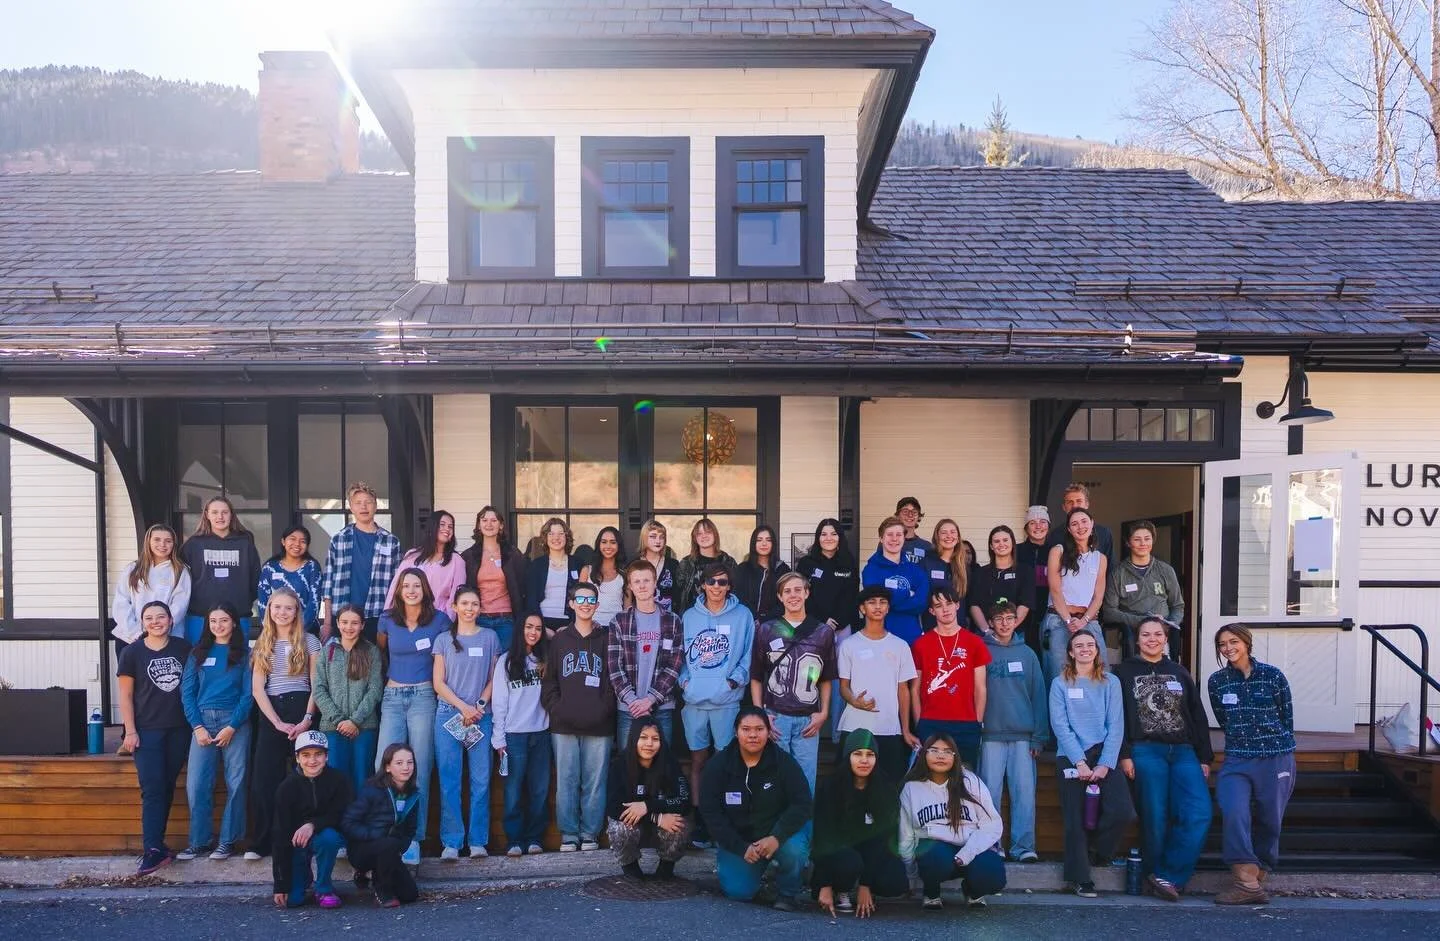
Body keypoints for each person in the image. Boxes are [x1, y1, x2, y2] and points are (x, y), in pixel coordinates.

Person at [1115, 617, 1214, 901]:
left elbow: (1197, 715)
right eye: (1146, 635)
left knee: (1198, 812)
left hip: (1184, 751)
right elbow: (1115, 717)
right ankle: (1157, 874)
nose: (1152, 639)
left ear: (1166, 639)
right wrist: (1124, 754)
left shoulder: (1180, 672)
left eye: (1158, 634)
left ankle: (1168, 875)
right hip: (1145, 750)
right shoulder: (1122, 673)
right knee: (1155, 817)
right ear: (1137, 640)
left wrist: (1204, 756)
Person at [1208, 623, 1297, 906]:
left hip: (1276, 756)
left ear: (1247, 642)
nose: (1228, 648)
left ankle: (1261, 872)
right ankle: (1245, 880)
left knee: (1271, 819)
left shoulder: (1273, 676)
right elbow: (1223, 719)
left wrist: (1278, 747)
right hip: (1237, 758)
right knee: (1234, 811)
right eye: (1222, 644)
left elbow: (1287, 716)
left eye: (1233, 641)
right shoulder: (1217, 681)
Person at [701, 705, 814, 910]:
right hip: (741, 840)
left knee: (795, 850)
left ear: (768, 732)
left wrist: (776, 837)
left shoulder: (784, 763)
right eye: (746, 729)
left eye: (759, 729)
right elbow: (711, 813)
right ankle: (757, 875)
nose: (753, 735)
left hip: (777, 835)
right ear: (736, 732)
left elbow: (802, 803)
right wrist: (740, 846)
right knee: (739, 892)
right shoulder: (718, 766)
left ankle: (787, 892)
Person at [375, 567, 451, 864]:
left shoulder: (440, 621)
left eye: (416, 586)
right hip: (392, 698)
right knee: (384, 765)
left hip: (423, 697)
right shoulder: (386, 621)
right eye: (406, 585)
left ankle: (413, 840)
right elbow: (382, 653)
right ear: (398, 590)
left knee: (418, 767)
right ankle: (387, 833)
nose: (410, 590)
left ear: (424, 590)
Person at [1050, 629, 1133, 898]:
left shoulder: (1110, 682)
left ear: (1097, 650)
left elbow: (1116, 725)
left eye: (1090, 644)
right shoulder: (1060, 683)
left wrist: (1106, 763)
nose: (1085, 649)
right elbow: (1060, 726)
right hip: (1071, 756)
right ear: (1071, 652)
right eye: (1079, 645)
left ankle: (1098, 853)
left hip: (1103, 754)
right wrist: (1080, 762)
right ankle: (1080, 877)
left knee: (1122, 811)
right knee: (1075, 819)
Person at [678, 560, 754, 849]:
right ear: (703, 585)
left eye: (723, 582)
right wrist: (685, 681)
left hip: (726, 701)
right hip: (695, 700)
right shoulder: (689, 617)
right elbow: (680, 657)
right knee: (698, 761)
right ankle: (700, 820)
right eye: (712, 582)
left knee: (726, 762)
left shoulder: (742, 615)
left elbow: (748, 654)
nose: (717, 588)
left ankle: (724, 820)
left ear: (729, 586)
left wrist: (734, 681)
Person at [248, 587, 323, 861]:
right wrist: (276, 722)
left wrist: (306, 719)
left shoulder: (310, 641)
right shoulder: (262, 642)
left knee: (307, 779)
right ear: (269, 610)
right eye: (276, 607)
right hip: (271, 712)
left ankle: (305, 839)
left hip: (303, 707)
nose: (282, 612)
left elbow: (317, 684)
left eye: (288, 608)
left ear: (296, 612)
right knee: (263, 780)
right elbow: (257, 689)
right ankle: (262, 842)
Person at [117, 600, 192, 875]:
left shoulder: (183, 649)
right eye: (149, 617)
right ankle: (152, 849)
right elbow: (125, 695)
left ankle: (158, 846)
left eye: (161, 617)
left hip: (179, 729)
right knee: (152, 788)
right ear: (142, 622)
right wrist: (130, 730)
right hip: (146, 730)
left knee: (167, 785)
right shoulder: (131, 653)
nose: (155, 621)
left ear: (171, 621)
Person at [542, 581, 618, 852]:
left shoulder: (607, 638)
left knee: (595, 783)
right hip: (564, 725)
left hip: (600, 725)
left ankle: (590, 834)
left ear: (597, 606)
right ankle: (569, 835)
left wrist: (604, 709)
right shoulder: (560, 640)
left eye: (591, 600)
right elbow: (549, 682)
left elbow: (613, 680)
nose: (586, 605)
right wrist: (557, 708)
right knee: (566, 781)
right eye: (580, 600)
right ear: (571, 604)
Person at [898, 732, 1007, 910]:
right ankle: (931, 892)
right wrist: (910, 876)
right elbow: (906, 833)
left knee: (993, 875)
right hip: (936, 852)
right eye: (934, 750)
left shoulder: (971, 782)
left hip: (971, 848)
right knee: (934, 857)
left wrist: (967, 854)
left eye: (947, 751)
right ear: (924, 754)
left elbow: (992, 824)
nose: (941, 755)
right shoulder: (912, 788)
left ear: (955, 757)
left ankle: (973, 891)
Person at [750, 572, 837, 793]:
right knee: (773, 783)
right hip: (775, 717)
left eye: (798, 590)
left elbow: (826, 678)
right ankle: (774, 829)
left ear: (807, 593)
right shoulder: (767, 629)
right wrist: (761, 714)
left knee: (806, 785)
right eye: (787, 591)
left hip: (808, 718)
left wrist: (824, 712)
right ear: (779, 597)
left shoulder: (823, 632)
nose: (793, 595)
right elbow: (756, 676)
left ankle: (804, 829)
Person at [179, 602, 253, 862]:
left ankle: (227, 841)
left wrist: (232, 726)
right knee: (197, 784)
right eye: (213, 621)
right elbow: (187, 694)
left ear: (234, 623)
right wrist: (197, 726)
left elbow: (248, 694)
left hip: (235, 722)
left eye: (224, 620)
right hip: (202, 723)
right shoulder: (197, 654)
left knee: (237, 782)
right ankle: (199, 842)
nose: (218, 626)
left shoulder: (245, 655)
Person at [432, 585, 502, 860]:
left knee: (481, 780)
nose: (470, 609)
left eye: (475, 604)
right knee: (450, 781)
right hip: (449, 716)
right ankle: (451, 841)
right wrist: (463, 707)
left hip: (480, 718)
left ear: (480, 608)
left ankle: (477, 841)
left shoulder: (490, 638)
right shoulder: (442, 640)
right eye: (465, 604)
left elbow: (493, 678)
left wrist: (479, 706)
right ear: (455, 607)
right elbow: (438, 682)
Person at [811, 728, 907, 918]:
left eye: (870, 754)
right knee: (849, 861)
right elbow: (822, 835)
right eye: (857, 754)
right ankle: (841, 889)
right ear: (848, 756)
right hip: (838, 851)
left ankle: (864, 890)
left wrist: (866, 885)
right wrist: (824, 884)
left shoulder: (885, 788)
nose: (864, 760)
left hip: (869, 847)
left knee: (895, 879)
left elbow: (884, 838)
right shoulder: (831, 787)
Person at [979, 600, 1048, 864]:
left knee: (1024, 794)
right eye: (999, 619)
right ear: (991, 623)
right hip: (990, 736)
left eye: (1010, 618)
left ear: (1016, 621)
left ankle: (1023, 847)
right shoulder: (982, 651)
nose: (1005, 623)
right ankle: (991, 845)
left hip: (1023, 737)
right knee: (990, 794)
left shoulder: (1028, 654)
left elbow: (1038, 695)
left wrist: (1039, 737)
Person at [836, 586, 919, 781]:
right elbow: (843, 687)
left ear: (888, 608)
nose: (878, 606)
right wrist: (855, 701)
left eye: (882, 602)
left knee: (889, 786)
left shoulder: (900, 646)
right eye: (872, 602)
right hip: (855, 727)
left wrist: (905, 729)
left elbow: (903, 690)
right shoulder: (849, 644)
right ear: (862, 609)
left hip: (889, 728)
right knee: (850, 787)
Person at [911, 586, 991, 769]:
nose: (945, 609)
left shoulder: (975, 643)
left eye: (949, 603)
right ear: (931, 611)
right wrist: (919, 722)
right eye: (938, 605)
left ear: (957, 605)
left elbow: (981, 687)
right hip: (931, 722)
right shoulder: (920, 645)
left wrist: (977, 722)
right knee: (930, 779)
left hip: (966, 723)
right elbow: (914, 689)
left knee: (965, 780)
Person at [271, 730, 352, 909]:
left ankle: (323, 888)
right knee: (293, 901)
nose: (312, 760)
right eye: (306, 755)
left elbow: (342, 814)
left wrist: (313, 825)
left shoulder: (338, 780)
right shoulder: (287, 787)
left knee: (329, 838)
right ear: (298, 758)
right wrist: (280, 884)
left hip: (325, 834)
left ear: (326, 756)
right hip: (296, 844)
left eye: (318, 754)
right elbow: (279, 834)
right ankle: (303, 876)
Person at [492, 613, 551, 857]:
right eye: (528, 627)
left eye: (538, 628)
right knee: (513, 790)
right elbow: (499, 702)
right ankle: (514, 840)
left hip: (541, 733)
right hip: (514, 735)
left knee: (539, 790)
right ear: (520, 629)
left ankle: (534, 837)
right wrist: (499, 738)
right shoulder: (506, 661)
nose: (533, 632)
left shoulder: (545, 661)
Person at [796, 518, 860, 744]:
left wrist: (838, 622)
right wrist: (823, 622)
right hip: (813, 627)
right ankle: (807, 729)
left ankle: (836, 735)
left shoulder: (848, 563)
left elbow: (852, 597)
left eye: (833, 534)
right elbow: (802, 595)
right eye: (824, 534)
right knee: (810, 676)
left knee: (840, 679)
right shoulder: (807, 563)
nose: (829, 538)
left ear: (839, 538)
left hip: (842, 629)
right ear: (818, 538)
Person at [608, 559, 683, 747]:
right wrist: (634, 702)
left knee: (662, 764)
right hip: (628, 708)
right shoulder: (619, 621)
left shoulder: (672, 620)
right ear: (630, 586)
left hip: (662, 705)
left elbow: (674, 665)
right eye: (637, 581)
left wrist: (650, 700)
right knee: (627, 764)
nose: (642, 586)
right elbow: (614, 667)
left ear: (655, 582)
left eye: (646, 580)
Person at [607, 716, 692, 880]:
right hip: (635, 824)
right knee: (620, 828)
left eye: (655, 739)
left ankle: (666, 869)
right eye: (643, 737)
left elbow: (684, 800)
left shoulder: (669, 763)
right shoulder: (620, 765)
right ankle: (631, 868)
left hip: (660, 823)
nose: (649, 744)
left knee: (680, 823)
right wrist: (655, 817)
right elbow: (613, 806)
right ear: (633, 739)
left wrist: (648, 806)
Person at [313, 603, 383, 796]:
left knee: (363, 779)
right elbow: (319, 689)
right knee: (336, 781)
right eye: (344, 622)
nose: (349, 627)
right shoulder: (327, 652)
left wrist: (354, 721)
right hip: (332, 728)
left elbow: (375, 689)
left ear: (362, 625)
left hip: (364, 727)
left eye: (354, 623)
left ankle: (360, 824)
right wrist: (339, 720)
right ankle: (338, 824)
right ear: (337, 623)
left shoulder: (371, 652)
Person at [321, 482, 401, 643]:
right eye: (358, 503)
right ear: (351, 507)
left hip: (378, 614)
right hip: (344, 615)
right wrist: (328, 622)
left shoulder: (391, 541)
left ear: (376, 505)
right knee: (345, 666)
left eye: (368, 502)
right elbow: (328, 585)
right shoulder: (339, 539)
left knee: (376, 664)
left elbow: (397, 585)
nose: (364, 507)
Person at [342, 743, 421, 908]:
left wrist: (401, 847)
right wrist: (374, 835)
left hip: (390, 850)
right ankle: (381, 890)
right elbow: (348, 823)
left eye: (410, 762)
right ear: (387, 767)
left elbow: (410, 829)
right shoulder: (373, 790)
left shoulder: (413, 795)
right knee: (388, 843)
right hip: (362, 850)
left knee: (410, 895)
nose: (406, 767)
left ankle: (376, 875)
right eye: (399, 763)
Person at [178, 496, 260, 645]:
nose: (220, 517)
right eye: (214, 512)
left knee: (236, 663)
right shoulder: (193, 544)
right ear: (207, 515)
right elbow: (179, 579)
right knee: (198, 662)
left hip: (238, 616)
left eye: (224, 512)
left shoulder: (245, 543)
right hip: (199, 617)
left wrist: (243, 600)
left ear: (231, 515)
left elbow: (255, 578)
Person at [1044, 507, 1109, 689]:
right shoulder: (1058, 551)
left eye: (1084, 522)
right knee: (1059, 676)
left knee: (1101, 673)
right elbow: (1055, 590)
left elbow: (1098, 596)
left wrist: (1084, 620)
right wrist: (1068, 620)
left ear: (1092, 523)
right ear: (1069, 529)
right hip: (1059, 620)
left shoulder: (1100, 558)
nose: (1080, 527)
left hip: (1088, 620)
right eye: (1074, 523)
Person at [1103, 521, 1186, 659]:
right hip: (1132, 634)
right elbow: (1109, 612)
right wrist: (1141, 621)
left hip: (1162, 632)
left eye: (1147, 539)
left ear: (1153, 540)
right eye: (1137, 539)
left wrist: (1168, 626)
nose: (1143, 543)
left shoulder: (1165, 570)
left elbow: (1178, 606)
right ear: (1128, 543)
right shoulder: (1118, 574)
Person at [112, 523, 191, 661]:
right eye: (157, 540)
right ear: (148, 541)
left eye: (168, 541)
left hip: (166, 639)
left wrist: (157, 632)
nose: (162, 544)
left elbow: (179, 606)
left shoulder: (180, 571)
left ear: (174, 544)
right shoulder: (133, 569)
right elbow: (121, 603)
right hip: (130, 638)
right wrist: (137, 632)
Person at [459, 506, 528, 651]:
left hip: (506, 619)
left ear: (501, 525)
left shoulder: (513, 554)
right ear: (479, 525)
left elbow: (523, 587)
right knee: (479, 662)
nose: (489, 524)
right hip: (478, 619)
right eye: (484, 520)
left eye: (494, 520)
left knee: (503, 663)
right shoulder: (468, 556)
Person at [386, 510, 466, 620]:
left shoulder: (457, 561)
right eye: (442, 525)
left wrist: (448, 623)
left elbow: (456, 596)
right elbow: (396, 587)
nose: (447, 529)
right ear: (432, 527)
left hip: (438, 620)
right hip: (409, 619)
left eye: (450, 527)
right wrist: (387, 616)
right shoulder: (412, 555)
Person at [860, 516, 929, 645]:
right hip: (881, 638)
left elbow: (921, 603)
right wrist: (908, 594)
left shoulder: (915, 570)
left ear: (904, 538)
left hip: (912, 639)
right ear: (881, 538)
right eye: (889, 534)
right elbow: (878, 603)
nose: (894, 539)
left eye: (898, 535)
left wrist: (891, 598)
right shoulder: (871, 570)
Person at [968, 525, 1035, 635]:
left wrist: (1008, 630)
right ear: (991, 546)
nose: (1001, 544)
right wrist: (986, 630)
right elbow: (974, 605)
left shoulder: (1025, 571)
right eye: (996, 541)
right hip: (986, 634)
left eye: (1005, 540)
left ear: (1013, 543)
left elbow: (1025, 604)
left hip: (1015, 633)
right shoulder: (980, 573)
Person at [258, 525, 324, 635]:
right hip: (273, 633)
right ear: (283, 541)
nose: (297, 544)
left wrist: (297, 631)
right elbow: (263, 603)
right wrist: (274, 630)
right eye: (292, 539)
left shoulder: (312, 567)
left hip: (305, 632)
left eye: (302, 541)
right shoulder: (270, 568)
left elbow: (314, 603)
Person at [527, 517, 585, 631]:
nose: (556, 538)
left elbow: (582, 597)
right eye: (551, 534)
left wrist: (571, 626)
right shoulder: (537, 565)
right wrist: (541, 628)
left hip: (570, 623)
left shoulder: (577, 564)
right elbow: (531, 600)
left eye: (561, 534)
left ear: (566, 537)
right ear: (545, 538)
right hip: (543, 622)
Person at [675, 518, 737, 614]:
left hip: (724, 614)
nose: (704, 536)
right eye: (699, 534)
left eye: (708, 532)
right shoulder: (686, 563)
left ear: (715, 535)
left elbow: (735, 590)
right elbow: (678, 595)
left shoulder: (728, 562)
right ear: (695, 538)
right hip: (693, 615)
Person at [1046, 483, 1117, 564]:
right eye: (1070, 502)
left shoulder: (1104, 533)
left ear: (1087, 504)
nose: (1075, 505)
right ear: (1064, 507)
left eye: (1079, 501)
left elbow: (1111, 567)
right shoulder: (1055, 535)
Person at [733, 524, 791, 622]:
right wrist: (755, 617)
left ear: (773, 544)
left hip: (775, 624)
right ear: (753, 543)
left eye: (768, 540)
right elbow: (738, 597)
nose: (764, 544)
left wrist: (765, 618)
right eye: (759, 540)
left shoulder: (782, 570)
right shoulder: (743, 569)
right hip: (747, 621)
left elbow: (787, 599)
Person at [1014, 506, 1052, 654]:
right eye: (1032, 522)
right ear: (1026, 528)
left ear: (1049, 526)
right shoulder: (1016, 551)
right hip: (1021, 613)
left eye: (1043, 521)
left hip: (1047, 612)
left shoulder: (1056, 551)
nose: (1038, 526)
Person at [922, 518, 972, 631]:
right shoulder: (926, 563)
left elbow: (967, 600)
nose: (949, 536)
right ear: (937, 537)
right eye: (944, 533)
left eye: (953, 532)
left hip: (958, 628)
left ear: (958, 537)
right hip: (932, 628)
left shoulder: (964, 567)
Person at [582, 526, 628, 627]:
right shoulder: (587, 571)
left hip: (616, 629)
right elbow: (579, 603)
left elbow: (627, 609)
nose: (608, 546)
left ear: (618, 545)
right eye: (604, 542)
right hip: (590, 628)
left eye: (613, 542)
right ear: (598, 544)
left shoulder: (625, 574)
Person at [637, 519, 682, 613]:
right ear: (644, 538)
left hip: (668, 620)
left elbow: (679, 596)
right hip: (641, 618)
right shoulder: (635, 564)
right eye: (653, 536)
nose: (658, 541)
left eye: (662, 537)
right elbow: (628, 595)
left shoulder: (673, 564)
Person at [894, 496, 932, 566]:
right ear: (897, 516)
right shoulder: (889, 542)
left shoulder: (928, 547)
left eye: (914, 512)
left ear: (919, 517)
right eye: (905, 511)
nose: (910, 515)